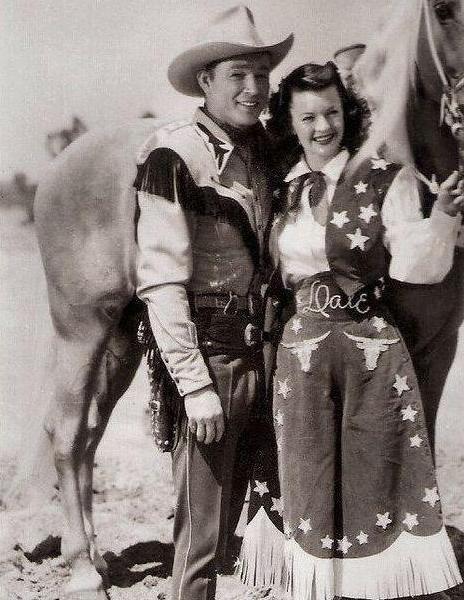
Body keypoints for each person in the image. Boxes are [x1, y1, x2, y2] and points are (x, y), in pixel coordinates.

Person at [236, 62, 464, 599]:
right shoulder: (280, 187)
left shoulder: (384, 178)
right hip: (301, 356)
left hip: (369, 353)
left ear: (348, 113)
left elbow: (413, 265)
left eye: (332, 112)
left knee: (371, 473)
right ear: (289, 123)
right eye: (308, 117)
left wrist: (443, 218)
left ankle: (371, 587)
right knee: (307, 471)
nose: (323, 127)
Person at [134, 6, 293, 600]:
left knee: (237, 531)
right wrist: (194, 385)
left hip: (266, 356)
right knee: (199, 537)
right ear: (205, 81)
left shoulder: (264, 154)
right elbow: (161, 282)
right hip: (213, 357)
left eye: (262, 76)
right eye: (238, 76)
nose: (254, 89)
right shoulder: (172, 154)